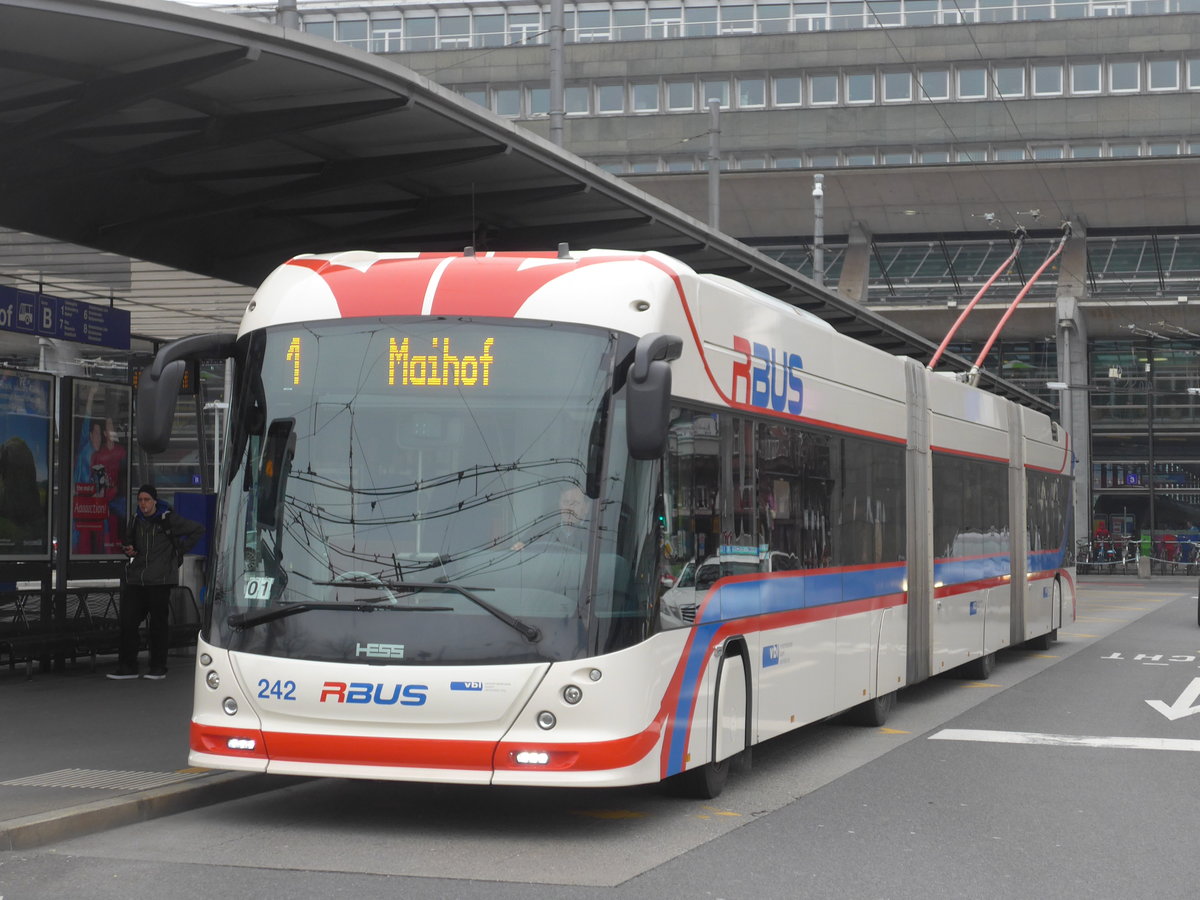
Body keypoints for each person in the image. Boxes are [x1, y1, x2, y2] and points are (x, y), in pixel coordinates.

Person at [108, 484, 204, 680]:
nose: (143, 504)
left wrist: (179, 552)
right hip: (137, 579)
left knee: (158, 625)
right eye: (140, 500)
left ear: (154, 501)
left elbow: (197, 530)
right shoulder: (136, 520)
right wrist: (129, 549)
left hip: (159, 580)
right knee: (128, 622)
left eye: (146, 500)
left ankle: (158, 667)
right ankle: (128, 666)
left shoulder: (167, 519)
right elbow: (129, 542)